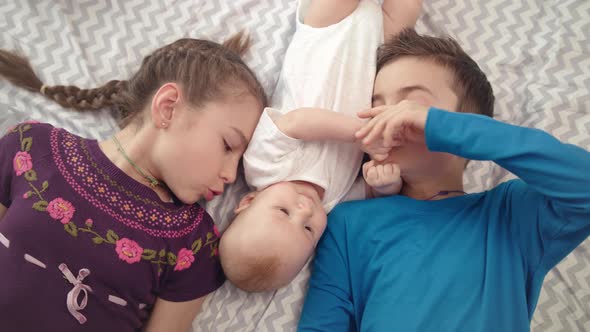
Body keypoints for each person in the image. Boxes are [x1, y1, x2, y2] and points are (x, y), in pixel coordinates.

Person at [298, 28, 590, 331]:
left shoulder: (509, 214)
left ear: (465, 126)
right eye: (377, 105)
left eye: (413, 103)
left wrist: (438, 126)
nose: (388, 117)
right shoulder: (349, 222)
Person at [0, 34, 266, 332]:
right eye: (228, 146)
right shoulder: (31, 147)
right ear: (168, 107)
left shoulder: (193, 243)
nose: (231, 175)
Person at [218, 0, 423, 292]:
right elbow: (370, 189)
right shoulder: (334, 202)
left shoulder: (263, 168)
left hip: (323, 36)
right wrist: (386, 185)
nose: (304, 210)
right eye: (308, 229)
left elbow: (298, 122)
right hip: (376, 53)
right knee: (407, 9)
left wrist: (359, 132)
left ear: (249, 202)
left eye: (283, 212)